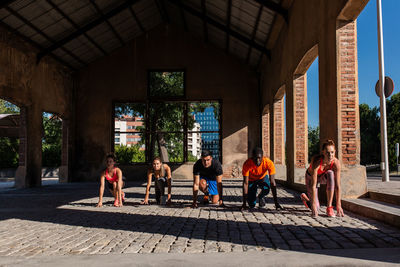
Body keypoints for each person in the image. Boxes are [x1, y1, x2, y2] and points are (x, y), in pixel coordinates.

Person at [301, 139, 344, 217]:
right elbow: (313, 185)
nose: (330, 155)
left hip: (322, 177)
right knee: (316, 208)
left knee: (330, 173)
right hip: (311, 178)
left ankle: (329, 207)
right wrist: (313, 205)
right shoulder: (316, 161)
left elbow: (337, 186)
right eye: (327, 153)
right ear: (323, 152)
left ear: (335, 151)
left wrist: (339, 205)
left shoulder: (336, 163)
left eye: (332, 152)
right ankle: (306, 199)